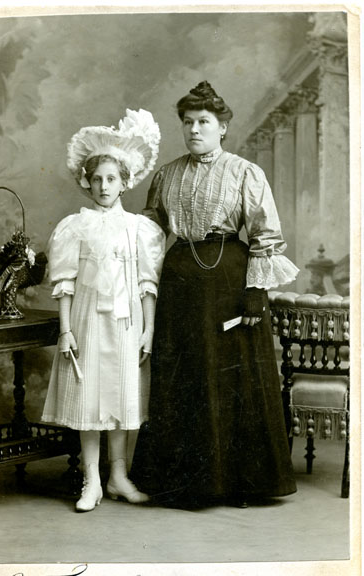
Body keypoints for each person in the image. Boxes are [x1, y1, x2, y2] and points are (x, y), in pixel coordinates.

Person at [130, 81, 299, 509]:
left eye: (203, 122)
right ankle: (182, 483)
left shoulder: (244, 172)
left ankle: (238, 483)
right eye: (188, 122)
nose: (194, 130)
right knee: (183, 377)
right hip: (180, 285)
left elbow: (265, 235)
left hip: (228, 280)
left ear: (222, 127)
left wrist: (255, 294)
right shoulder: (166, 174)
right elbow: (150, 232)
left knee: (230, 376)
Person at [42, 109, 165, 512]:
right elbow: (65, 283)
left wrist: (148, 329)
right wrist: (66, 330)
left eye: (111, 179)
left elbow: (147, 284)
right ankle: (92, 480)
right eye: (96, 179)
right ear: (87, 182)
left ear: (125, 182)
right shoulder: (75, 226)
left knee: (121, 394)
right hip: (88, 319)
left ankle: (118, 476)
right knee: (90, 395)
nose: (103, 186)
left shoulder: (139, 229)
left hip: (127, 322)